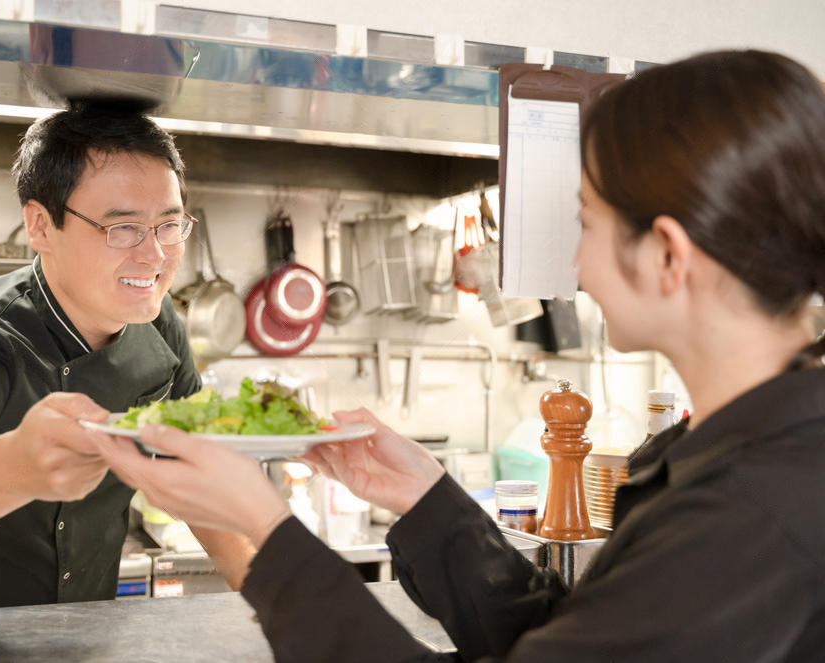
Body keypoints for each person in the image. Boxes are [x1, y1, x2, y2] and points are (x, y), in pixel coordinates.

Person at [97, 49, 825, 661]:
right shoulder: (741, 456)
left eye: (587, 223)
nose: (575, 263)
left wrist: (267, 527)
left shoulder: (753, 514)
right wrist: (428, 500)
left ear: (668, 254)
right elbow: (560, 641)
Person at [0, 101, 252, 616]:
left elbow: (198, 476)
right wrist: (18, 467)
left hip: (75, 638)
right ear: (41, 226)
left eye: (169, 224)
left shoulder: (159, 328)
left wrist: (282, 601)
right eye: (123, 228)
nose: (155, 255)